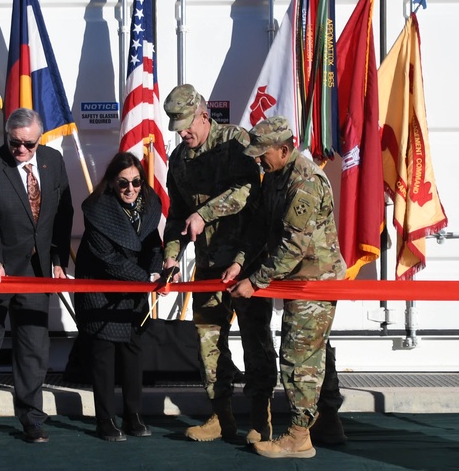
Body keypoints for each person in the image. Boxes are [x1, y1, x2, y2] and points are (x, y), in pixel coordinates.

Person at [223, 116, 346, 459]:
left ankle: (298, 436)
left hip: (314, 280)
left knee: (299, 354)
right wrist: (239, 261)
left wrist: (255, 281)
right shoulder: (275, 177)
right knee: (314, 350)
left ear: (285, 148)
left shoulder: (305, 182)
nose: (258, 159)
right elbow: (260, 228)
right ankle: (323, 421)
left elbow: (293, 246)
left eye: (263, 153)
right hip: (298, 278)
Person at [160, 84, 276, 444]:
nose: (183, 133)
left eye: (187, 124)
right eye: (176, 127)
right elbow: (178, 215)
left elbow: (248, 191)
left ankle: (261, 418)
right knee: (208, 341)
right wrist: (171, 257)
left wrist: (205, 213)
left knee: (256, 342)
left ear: (203, 114)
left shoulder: (234, 141)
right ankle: (220, 415)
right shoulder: (179, 159)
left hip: (245, 263)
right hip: (209, 267)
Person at [0, 108, 74, 445]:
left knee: (33, 348)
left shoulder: (53, 162)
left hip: (35, 269)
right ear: (7, 136)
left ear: (39, 139)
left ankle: (31, 419)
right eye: (16, 143)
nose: (22, 150)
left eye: (29, 143)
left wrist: (57, 258)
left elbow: (63, 212)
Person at [74, 152, 163, 442]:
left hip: (135, 295)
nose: (130, 188)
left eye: (136, 182)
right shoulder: (97, 210)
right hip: (100, 293)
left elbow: (153, 245)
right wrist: (146, 278)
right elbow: (109, 259)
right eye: (123, 182)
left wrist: (156, 269)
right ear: (112, 182)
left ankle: (133, 415)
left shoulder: (148, 206)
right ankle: (105, 420)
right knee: (104, 358)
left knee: (133, 355)